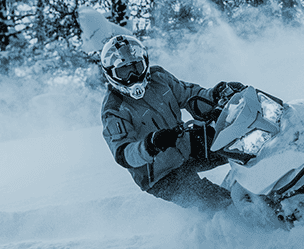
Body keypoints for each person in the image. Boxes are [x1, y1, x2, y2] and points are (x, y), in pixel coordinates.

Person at [99, 34, 244, 211]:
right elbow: (123, 154)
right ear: (111, 74)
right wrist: (150, 144)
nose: (132, 76)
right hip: (160, 174)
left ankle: (262, 179)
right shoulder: (113, 109)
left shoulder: (158, 77)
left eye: (137, 67)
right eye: (123, 71)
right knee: (219, 203)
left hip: (185, 145)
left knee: (238, 142)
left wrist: (215, 94)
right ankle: (236, 222)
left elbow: (190, 96)